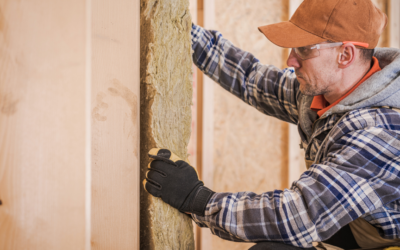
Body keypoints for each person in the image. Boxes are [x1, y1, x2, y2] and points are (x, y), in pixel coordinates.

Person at [143, 0, 400, 249]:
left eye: (304, 49)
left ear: (345, 54)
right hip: (337, 233)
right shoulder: (322, 93)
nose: (291, 60)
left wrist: (198, 200)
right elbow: (249, 78)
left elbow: (300, 214)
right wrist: (181, 29)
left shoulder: (380, 131)